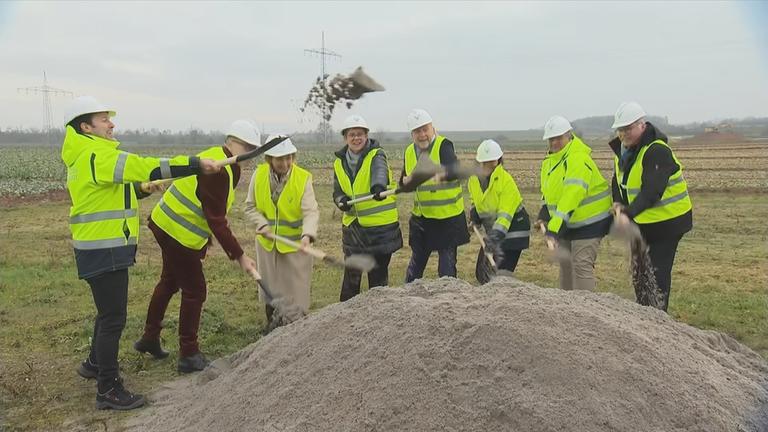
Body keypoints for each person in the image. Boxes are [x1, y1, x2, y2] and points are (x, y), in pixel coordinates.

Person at [63, 96, 219, 410]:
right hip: (104, 249)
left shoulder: (84, 156)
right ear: (86, 126)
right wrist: (195, 163)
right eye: (104, 119)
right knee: (113, 320)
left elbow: (106, 193)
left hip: (97, 248)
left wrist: (141, 190)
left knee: (106, 314)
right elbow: (143, 166)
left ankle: (94, 364)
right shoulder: (97, 154)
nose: (111, 124)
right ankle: (108, 388)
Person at [134, 120, 259, 373]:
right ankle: (189, 354)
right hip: (177, 233)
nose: (248, 154)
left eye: (252, 149)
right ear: (231, 142)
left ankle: (149, 337)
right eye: (245, 147)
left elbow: (207, 210)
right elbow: (216, 220)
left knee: (169, 281)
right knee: (195, 290)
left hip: (164, 223)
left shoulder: (216, 157)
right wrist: (241, 257)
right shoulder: (220, 171)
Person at [609, 102, 692, 311]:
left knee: (656, 275)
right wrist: (618, 204)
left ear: (642, 125)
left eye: (628, 128)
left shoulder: (656, 151)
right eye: (621, 130)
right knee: (639, 273)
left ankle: (658, 321)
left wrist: (628, 213)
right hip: (642, 223)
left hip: (667, 224)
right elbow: (619, 182)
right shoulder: (624, 152)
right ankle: (644, 315)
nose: (623, 134)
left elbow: (652, 191)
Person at [244, 134, 319, 330]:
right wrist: (261, 223)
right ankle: (272, 328)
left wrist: (307, 235)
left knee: (296, 295)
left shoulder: (303, 178)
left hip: (296, 249)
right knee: (270, 292)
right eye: (279, 159)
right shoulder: (258, 175)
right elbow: (250, 207)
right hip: (268, 247)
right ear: (269, 158)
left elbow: (311, 211)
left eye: (289, 158)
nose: (285, 163)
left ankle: (296, 331)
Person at [537, 115, 612, 291]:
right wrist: (544, 214)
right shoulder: (549, 162)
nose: (554, 143)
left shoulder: (577, 158)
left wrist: (554, 229)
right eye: (551, 139)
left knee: (581, 265)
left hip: (590, 221)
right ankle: (568, 310)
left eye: (558, 138)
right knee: (566, 265)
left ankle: (587, 310)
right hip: (567, 222)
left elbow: (572, 195)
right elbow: (549, 194)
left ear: (569, 135)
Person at [333, 115, 403, 301]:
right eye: (352, 135)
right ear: (346, 138)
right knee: (351, 279)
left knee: (378, 281)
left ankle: (380, 318)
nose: (356, 138)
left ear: (366, 136)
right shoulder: (339, 162)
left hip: (379, 230)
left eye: (360, 134)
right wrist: (340, 200)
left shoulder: (376, 154)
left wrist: (378, 187)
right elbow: (337, 190)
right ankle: (344, 316)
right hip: (354, 229)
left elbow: (379, 172)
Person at [401, 109, 469, 283]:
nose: (422, 135)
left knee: (446, 268)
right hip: (422, 219)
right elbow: (404, 182)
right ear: (412, 134)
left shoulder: (443, 146)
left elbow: (455, 171)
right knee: (416, 265)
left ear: (432, 128)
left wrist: (441, 174)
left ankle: (449, 300)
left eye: (425, 129)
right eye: (417, 131)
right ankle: (407, 299)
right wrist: (405, 182)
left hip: (447, 217)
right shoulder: (409, 152)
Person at [467, 139, 530, 283]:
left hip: (513, 229)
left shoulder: (506, 181)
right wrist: (474, 215)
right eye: (485, 162)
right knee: (482, 273)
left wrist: (493, 239)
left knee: (499, 276)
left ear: (498, 161)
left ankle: (503, 303)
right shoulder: (473, 180)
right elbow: (475, 200)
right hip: (495, 231)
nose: (489, 166)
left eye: (492, 162)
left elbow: (505, 216)